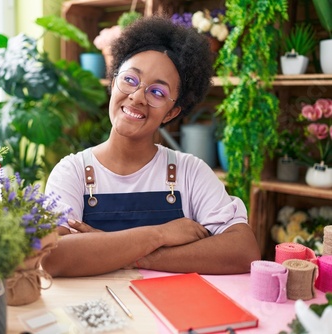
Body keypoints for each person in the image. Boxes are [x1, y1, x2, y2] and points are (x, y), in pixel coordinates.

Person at [41, 15, 261, 277]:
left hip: (174, 312)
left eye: (157, 92)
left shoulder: (190, 172)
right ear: (113, 82)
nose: (136, 97)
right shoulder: (73, 172)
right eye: (130, 80)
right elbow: (54, 257)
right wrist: (161, 233)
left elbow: (243, 251)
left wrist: (127, 254)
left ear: (171, 112)